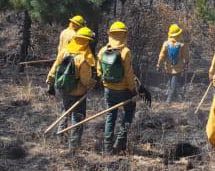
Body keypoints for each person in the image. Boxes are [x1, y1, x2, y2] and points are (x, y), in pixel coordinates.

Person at [46, 26, 97, 150]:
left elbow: (55, 67)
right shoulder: (83, 58)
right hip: (78, 92)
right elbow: (85, 81)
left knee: (65, 111)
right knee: (77, 116)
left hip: (63, 89)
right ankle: (74, 146)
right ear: (86, 42)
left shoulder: (65, 51)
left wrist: (50, 81)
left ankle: (60, 139)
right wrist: (93, 83)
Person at [98, 21, 143, 154]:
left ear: (110, 35)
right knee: (129, 113)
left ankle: (107, 147)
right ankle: (120, 143)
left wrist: (106, 83)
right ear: (124, 35)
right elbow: (129, 74)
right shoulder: (125, 52)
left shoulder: (102, 50)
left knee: (110, 115)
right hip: (124, 90)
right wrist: (134, 90)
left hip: (108, 90)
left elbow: (99, 71)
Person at [157, 23, 190, 103]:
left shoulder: (166, 44)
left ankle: (178, 97)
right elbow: (186, 56)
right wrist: (186, 63)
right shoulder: (182, 44)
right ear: (179, 34)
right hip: (178, 68)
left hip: (168, 67)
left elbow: (161, 55)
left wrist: (158, 64)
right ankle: (169, 99)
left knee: (173, 82)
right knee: (173, 83)